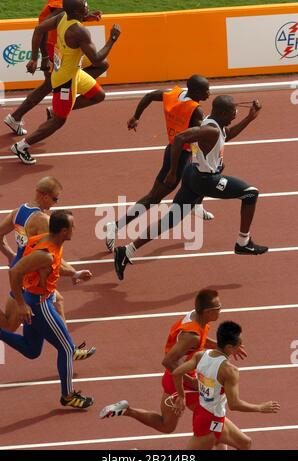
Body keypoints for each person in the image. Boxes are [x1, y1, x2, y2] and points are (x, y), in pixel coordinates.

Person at [114, 96, 268, 280]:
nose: (236, 114)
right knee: (251, 193)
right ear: (223, 113)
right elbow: (179, 138)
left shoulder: (213, 122)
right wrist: (172, 171)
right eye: (233, 112)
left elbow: (227, 133)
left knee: (171, 219)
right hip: (206, 180)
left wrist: (250, 118)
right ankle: (243, 242)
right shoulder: (210, 130)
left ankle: (127, 251)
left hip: (192, 173)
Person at [99, 289, 246, 439]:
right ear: (208, 312)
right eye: (218, 308)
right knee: (213, 416)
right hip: (180, 381)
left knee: (166, 425)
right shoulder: (191, 336)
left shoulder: (196, 317)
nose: (221, 310)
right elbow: (168, 361)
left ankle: (127, 410)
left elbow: (201, 342)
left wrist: (224, 347)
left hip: (174, 378)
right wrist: (191, 384)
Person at [105, 75, 213, 253]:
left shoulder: (174, 94)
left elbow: (149, 96)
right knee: (153, 198)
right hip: (177, 156)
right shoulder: (196, 111)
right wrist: (172, 171)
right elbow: (203, 135)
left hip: (184, 152)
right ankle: (115, 226)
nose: (209, 93)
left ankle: (196, 204)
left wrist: (135, 117)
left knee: (207, 171)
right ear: (195, 92)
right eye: (205, 90)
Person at [0, 210, 95, 408]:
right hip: (39, 304)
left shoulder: (46, 241)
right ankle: (68, 396)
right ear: (62, 231)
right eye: (72, 226)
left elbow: (54, 265)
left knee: (31, 349)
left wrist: (74, 273)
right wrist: (20, 303)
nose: (74, 229)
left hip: (34, 298)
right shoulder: (46, 255)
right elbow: (15, 271)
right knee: (67, 348)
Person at [10, 0, 121, 164]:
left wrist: (34, 58)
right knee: (59, 121)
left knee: (98, 95)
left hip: (72, 72)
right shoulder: (79, 32)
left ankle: (53, 109)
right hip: (65, 82)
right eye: (84, 6)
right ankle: (21, 146)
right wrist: (112, 39)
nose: (87, 6)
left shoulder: (63, 16)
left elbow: (39, 29)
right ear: (76, 12)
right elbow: (96, 59)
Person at [0, 176, 94, 360]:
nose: (55, 203)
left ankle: (70, 349)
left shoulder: (18, 212)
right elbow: (51, 256)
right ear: (43, 195)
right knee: (56, 301)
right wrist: (74, 272)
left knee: (9, 327)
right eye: (55, 199)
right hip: (29, 279)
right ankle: (70, 349)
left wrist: (11, 255)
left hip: (22, 274)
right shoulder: (42, 220)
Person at [172, 321, 280, 450]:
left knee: (245, 443)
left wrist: (181, 396)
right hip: (210, 422)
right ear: (229, 347)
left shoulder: (200, 356)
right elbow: (234, 404)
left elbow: (176, 373)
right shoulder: (229, 371)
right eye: (239, 344)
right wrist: (260, 407)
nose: (242, 346)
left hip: (206, 413)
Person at [4, 1, 104, 137]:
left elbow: (68, 16)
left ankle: (65, 96)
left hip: (60, 45)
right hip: (53, 47)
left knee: (102, 64)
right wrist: (43, 56)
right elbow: (42, 27)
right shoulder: (59, 4)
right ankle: (16, 116)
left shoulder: (68, 4)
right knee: (49, 85)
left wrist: (85, 17)